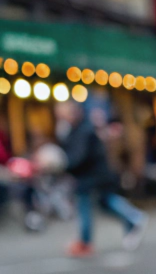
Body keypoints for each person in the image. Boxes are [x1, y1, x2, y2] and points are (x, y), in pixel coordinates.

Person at [55, 99, 147, 257]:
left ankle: (85, 242)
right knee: (105, 202)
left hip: (92, 177)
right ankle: (132, 218)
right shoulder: (77, 130)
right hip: (95, 176)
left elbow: (78, 157)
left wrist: (62, 164)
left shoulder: (83, 130)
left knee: (86, 205)